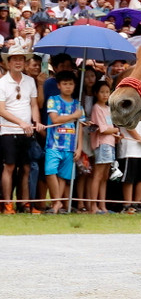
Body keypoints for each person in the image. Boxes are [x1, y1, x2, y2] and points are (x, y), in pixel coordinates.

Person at [0, 47, 45, 212]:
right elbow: (2, 110)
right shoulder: (2, 82)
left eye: (21, 59)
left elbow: (33, 104)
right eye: (15, 59)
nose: (18, 62)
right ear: (8, 62)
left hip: (27, 131)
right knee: (9, 166)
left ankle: (25, 203)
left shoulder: (30, 81)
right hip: (8, 131)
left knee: (26, 167)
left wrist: (36, 121)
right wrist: (21, 123)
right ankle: (7, 204)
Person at [44, 70, 83, 214]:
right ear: (59, 85)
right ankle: (57, 201)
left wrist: (79, 148)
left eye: (71, 84)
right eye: (65, 84)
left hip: (69, 146)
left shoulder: (78, 105)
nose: (68, 86)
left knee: (63, 177)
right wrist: (74, 116)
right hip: (53, 144)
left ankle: (57, 205)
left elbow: (81, 127)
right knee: (50, 171)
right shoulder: (53, 100)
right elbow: (55, 119)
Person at [89, 80, 119, 214]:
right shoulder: (97, 108)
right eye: (102, 92)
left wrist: (115, 132)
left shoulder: (108, 108)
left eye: (107, 92)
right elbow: (103, 129)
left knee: (105, 176)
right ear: (96, 93)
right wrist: (116, 130)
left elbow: (110, 128)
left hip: (111, 143)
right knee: (98, 174)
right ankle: (93, 206)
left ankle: (103, 206)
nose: (105, 95)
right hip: (102, 143)